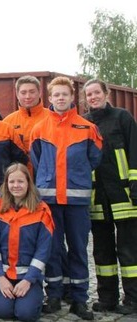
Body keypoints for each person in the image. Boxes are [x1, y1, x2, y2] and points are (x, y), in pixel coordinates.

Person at [30, 76, 102, 320]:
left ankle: (80, 300)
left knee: (79, 250)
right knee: (51, 249)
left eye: (65, 94)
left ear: (72, 97)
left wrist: (76, 178)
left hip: (77, 201)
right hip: (49, 200)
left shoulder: (87, 128)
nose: (60, 98)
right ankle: (54, 296)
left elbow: (94, 159)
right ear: (50, 98)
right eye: (56, 94)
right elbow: (36, 161)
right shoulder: (39, 128)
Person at [84, 79, 137, 314]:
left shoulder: (122, 117)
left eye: (97, 92)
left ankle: (134, 300)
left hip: (123, 193)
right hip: (97, 196)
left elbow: (134, 150)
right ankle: (107, 298)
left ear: (106, 93)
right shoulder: (84, 123)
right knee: (102, 250)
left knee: (129, 249)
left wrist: (136, 182)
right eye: (89, 94)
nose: (93, 97)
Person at [0, 163, 54, 322]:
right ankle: (1, 297)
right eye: (12, 182)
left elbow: (43, 251)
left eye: (20, 181)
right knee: (3, 312)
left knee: (26, 315)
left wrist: (28, 280)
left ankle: (33, 298)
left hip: (29, 276)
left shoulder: (41, 210)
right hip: (3, 275)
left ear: (28, 183)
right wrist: (0, 278)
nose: (16, 186)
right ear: (6, 184)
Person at [3, 75, 50, 153]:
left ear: (39, 93)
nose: (27, 96)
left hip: (46, 165)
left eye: (32, 92)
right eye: (23, 93)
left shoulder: (53, 117)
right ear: (17, 95)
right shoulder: (8, 122)